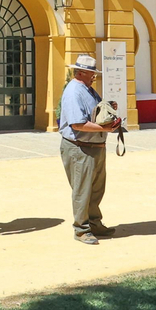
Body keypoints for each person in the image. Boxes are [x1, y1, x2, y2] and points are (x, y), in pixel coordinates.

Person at [58, 54, 120, 245]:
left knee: (96, 189)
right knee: (82, 190)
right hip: (80, 148)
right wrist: (105, 129)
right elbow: (77, 124)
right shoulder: (74, 91)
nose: (94, 76)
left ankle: (94, 223)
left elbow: (93, 113)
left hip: (93, 147)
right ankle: (81, 229)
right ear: (82, 72)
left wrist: (108, 108)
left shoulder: (88, 89)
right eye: (92, 73)